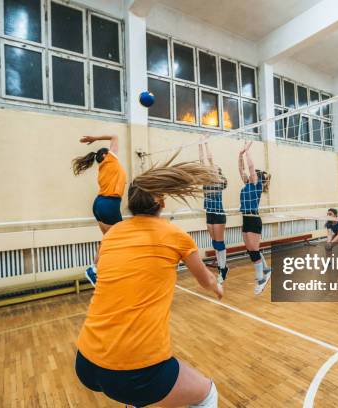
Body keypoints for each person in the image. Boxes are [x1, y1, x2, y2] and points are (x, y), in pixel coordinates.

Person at [75, 153, 223, 408]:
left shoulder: (112, 234)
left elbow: (99, 267)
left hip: (86, 362)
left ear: (131, 203)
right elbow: (206, 279)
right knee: (207, 395)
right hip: (135, 373)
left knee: (136, 398)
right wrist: (217, 286)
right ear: (161, 201)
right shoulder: (176, 236)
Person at [72, 135, 125, 286]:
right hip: (109, 203)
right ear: (104, 155)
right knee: (120, 238)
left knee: (109, 239)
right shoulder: (110, 159)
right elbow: (115, 136)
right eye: (109, 151)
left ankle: (96, 269)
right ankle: (110, 270)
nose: (113, 151)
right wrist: (95, 138)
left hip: (100, 204)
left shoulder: (105, 168)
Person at [238, 141, 272, 295]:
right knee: (251, 249)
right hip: (246, 219)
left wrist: (247, 152)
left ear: (257, 178)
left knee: (253, 251)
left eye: (254, 174)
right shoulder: (247, 184)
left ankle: (261, 279)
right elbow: (241, 169)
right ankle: (266, 269)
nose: (251, 175)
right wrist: (240, 155)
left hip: (253, 219)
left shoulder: (257, 185)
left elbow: (251, 168)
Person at [199, 140, 229, 284]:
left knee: (218, 242)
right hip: (209, 213)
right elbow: (202, 163)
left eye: (215, 168)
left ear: (218, 173)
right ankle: (221, 265)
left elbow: (210, 161)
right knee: (214, 242)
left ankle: (223, 270)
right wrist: (199, 145)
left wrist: (206, 144)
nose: (211, 168)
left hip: (218, 214)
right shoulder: (206, 181)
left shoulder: (218, 181)